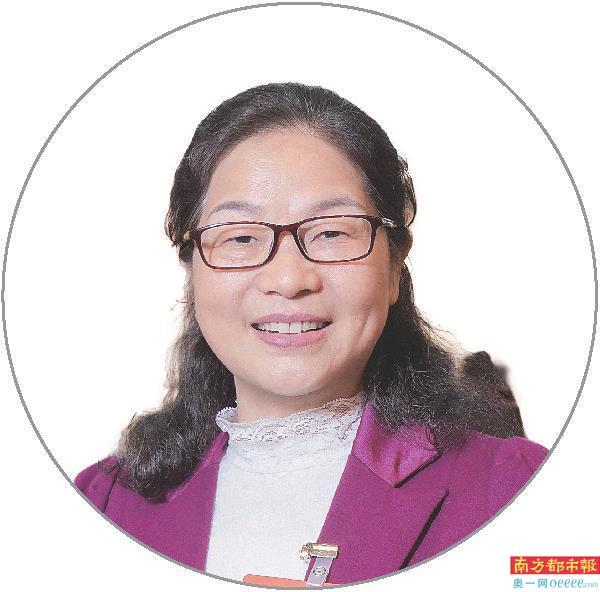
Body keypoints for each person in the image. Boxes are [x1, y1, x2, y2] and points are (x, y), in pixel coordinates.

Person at [74, 82, 548, 586]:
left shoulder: (515, 483)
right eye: (241, 237)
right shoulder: (104, 501)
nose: (288, 279)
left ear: (394, 266)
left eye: (331, 232)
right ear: (192, 271)